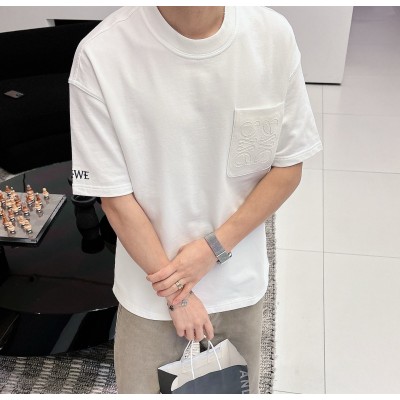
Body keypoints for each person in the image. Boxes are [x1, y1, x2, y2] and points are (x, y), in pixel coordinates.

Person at [68, 6, 323, 394]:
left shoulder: (271, 36)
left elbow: (288, 168)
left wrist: (212, 249)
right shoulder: (102, 54)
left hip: (239, 285)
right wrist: (178, 295)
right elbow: (115, 199)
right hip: (151, 293)